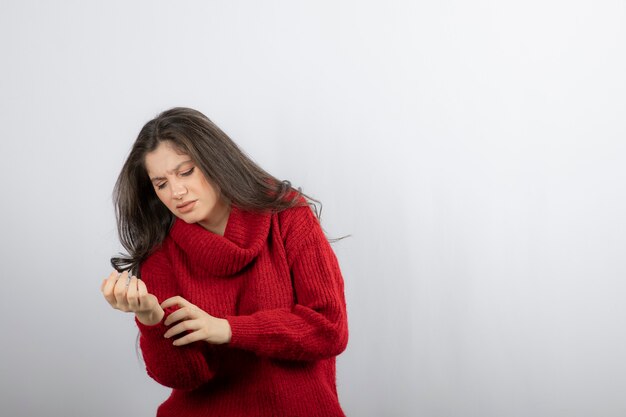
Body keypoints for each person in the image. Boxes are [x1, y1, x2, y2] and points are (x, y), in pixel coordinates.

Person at [100, 107, 349, 417]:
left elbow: (329, 330)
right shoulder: (160, 253)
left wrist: (228, 329)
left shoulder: (287, 215)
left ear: (214, 161)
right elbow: (185, 378)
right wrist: (151, 320)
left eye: (186, 171)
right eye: (161, 184)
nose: (177, 192)